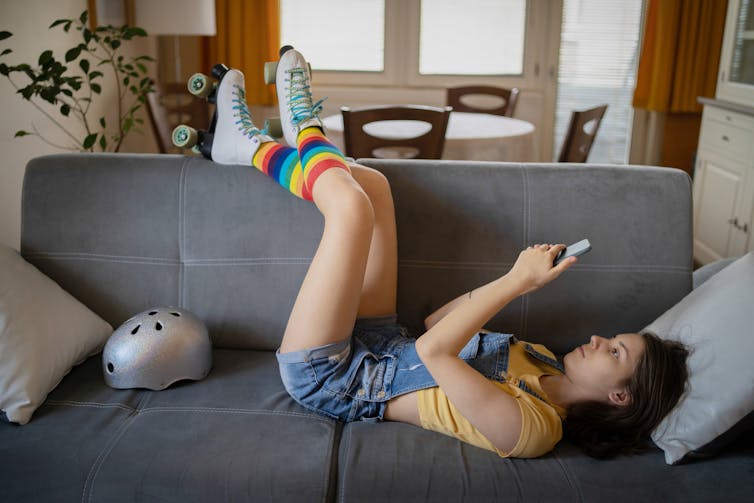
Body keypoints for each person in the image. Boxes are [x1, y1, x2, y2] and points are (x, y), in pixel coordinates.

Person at [193, 46, 689, 459]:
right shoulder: (541, 358)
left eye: (616, 351)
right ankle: (245, 147)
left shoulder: (535, 430)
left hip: (337, 380)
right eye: (614, 339)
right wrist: (510, 275)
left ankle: (302, 125)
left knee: (351, 210)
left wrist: (519, 282)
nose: (600, 339)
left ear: (619, 397)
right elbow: (435, 324)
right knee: (375, 186)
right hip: (383, 340)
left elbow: (434, 354)